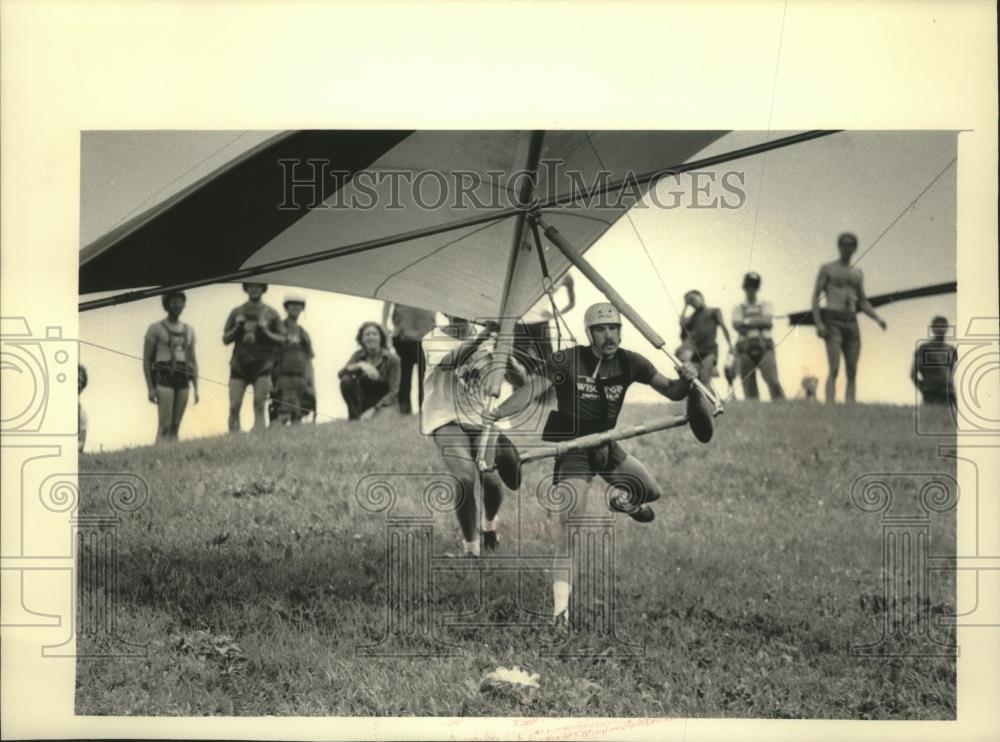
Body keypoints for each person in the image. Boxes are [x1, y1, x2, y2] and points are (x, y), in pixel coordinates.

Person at [484, 302, 697, 623]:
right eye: (601, 330)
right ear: (589, 333)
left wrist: (688, 378)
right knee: (569, 529)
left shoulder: (631, 362)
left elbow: (671, 391)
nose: (609, 335)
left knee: (650, 492)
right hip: (574, 451)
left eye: (614, 328)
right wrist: (499, 411)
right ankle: (561, 611)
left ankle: (622, 501)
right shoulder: (567, 360)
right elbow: (530, 392)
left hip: (606, 446)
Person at [421, 316, 525, 556]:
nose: (460, 313)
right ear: (445, 311)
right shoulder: (433, 338)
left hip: (481, 417)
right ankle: (471, 549)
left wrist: (506, 356)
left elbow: (521, 382)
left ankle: (489, 526)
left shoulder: (490, 336)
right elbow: (449, 362)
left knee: (492, 480)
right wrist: (482, 337)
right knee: (465, 479)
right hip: (445, 416)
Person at [811, 232, 888, 404]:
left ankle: (850, 406)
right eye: (844, 244)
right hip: (832, 319)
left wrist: (877, 318)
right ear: (839, 246)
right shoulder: (828, 269)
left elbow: (863, 301)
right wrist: (818, 323)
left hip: (851, 321)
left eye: (850, 244)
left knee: (852, 369)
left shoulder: (857, 273)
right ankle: (830, 405)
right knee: (834, 367)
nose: (847, 247)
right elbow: (815, 297)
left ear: (854, 248)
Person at [223, 282, 284, 432]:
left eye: (257, 286)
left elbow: (283, 339)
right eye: (251, 285)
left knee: (259, 404)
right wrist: (237, 327)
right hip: (239, 365)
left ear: (263, 288)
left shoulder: (271, 313)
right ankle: (233, 440)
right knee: (234, 406)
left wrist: (266, 332)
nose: (254, 289)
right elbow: (225, 339)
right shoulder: (237, 312)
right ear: (246, 288)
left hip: (262, 365)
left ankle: (259, 437)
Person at [143, 290, 199, 442]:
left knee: (176, 426)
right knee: (165, 425)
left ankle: (171, 458)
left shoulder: (189, 330)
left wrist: (196, 387)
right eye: (173, 302)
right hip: (164, 376)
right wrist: (150, 388)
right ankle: (157, 457)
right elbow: (147, 359)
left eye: (180, 302)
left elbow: (192, 360)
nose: (177, 305)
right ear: (167, 304)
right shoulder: (155, 328)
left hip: (183, 377)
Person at [732, 272, 785, 400]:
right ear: (744, 287)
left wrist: (746, 321)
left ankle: (783, 408)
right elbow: (736, 324)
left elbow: (767, 321)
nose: (751, 289)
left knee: (773, 381)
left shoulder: (765, 304)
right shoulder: (738, 307)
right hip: (745, 347)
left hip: (765, 345)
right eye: (749, 285)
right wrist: (758, 321)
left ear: (758, 288)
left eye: (754, 286)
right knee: (748, 385)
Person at [339, 321, 401, 421]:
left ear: (381, 338)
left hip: (384, 403)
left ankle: (367, 416)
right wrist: (360, 365)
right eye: (367, 335)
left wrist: (374, 409)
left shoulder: (393, 359)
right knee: (346, 380)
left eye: (375, 334)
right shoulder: (358, 356)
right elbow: (341, 374)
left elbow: (393, 392)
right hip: (363, 401)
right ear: (362, 339)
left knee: (380, 423)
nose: (371, 337)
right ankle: (355, 417)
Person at [381, 302, 437, 414]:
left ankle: (425, 412)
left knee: (425, 377)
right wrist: (383, 324)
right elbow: (387, 299)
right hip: (403, 336)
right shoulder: (398, 284)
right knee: (404, 378)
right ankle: (404, 411)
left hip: (427, 334)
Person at [271, 294, 316, 426]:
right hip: (283, 376)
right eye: (292, 304)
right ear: (286, 307)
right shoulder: (279, 327)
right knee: (282, 413)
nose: (295, 308)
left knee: (298, 414)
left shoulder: (304, 333)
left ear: (302, 308)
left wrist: (311, 384)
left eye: (299, 305)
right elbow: (271, 355)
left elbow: (309, 360)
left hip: (301, 378)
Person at [518, 273, 576, 365]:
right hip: (520, 321)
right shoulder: (533, 268)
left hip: (541, 322)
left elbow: (572, 303)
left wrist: (554, 315)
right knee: (518, 359)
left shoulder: (566, 276)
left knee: (546, 360)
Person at [679, 290, 733, 387]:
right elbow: (682, 323)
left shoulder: (714, 311)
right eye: (690, 303)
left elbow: (723, 327)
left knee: (705, 377)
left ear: (701, 296)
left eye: (693, 299)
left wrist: (730, 346)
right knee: (696, 380)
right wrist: (685, 305)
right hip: (695, 352)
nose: (693, 304)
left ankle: (711, 400)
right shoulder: (693, 316)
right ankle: (708, 400)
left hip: (709, 351)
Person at [911, 315, 957, 412]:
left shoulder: (950, 349)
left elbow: (951, 371)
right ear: (933, 328)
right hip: (931, 393)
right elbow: (913, 374)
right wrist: (924, 389)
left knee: (950, 423)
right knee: (932, 421)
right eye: (938, 326)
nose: (941, 329)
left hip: (949, 393)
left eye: (944, 326)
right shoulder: (924, 348)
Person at [78, 364, 89, 453]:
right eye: (77, 380)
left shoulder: (81, 413)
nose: (79, 385)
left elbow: (81, 442)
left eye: (82, 382)